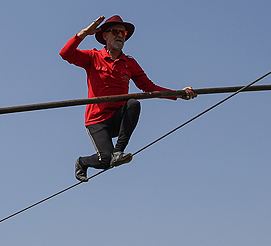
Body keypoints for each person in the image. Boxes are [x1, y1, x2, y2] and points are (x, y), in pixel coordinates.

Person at [60, 15, 196, 182]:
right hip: (97, 121)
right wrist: (84, 33)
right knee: (105, 161)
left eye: (123, 34)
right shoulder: (93, 57)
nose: (120, 36)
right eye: (115, 32)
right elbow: (66, 54)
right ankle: (82, 162)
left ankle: (119, 152)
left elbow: (149, 87)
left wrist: (178, 93)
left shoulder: (129, 63)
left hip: (117, 118)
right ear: (105, 36)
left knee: (133, 103)